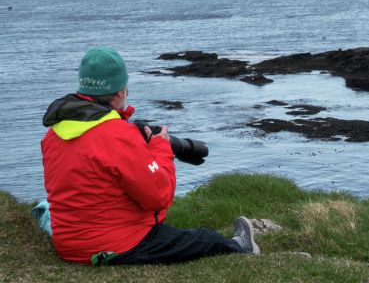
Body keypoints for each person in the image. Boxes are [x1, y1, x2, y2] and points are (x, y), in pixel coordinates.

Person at [40, 47, 259, 265]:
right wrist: (160, 147)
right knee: (204, 239)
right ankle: (241, 245)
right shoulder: (116, 135)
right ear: (119, 92)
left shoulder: (54, 132)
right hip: (116, 246)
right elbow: (159, 195)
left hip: (68, 245)